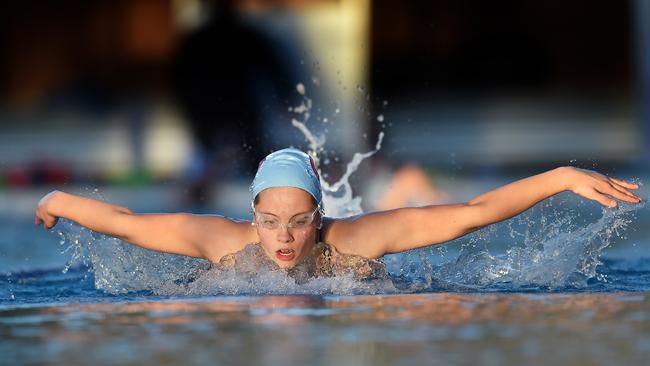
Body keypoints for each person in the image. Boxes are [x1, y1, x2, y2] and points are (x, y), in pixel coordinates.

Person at [35, 148, 642, 274]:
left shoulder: (355, 241)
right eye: (270, 222)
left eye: (299, 221)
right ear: (251, 218)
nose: (283, 238)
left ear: (320, 218)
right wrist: (58, 199)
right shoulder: (219, 243)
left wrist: (561, 174)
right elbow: (127, 224)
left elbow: (473, 212)